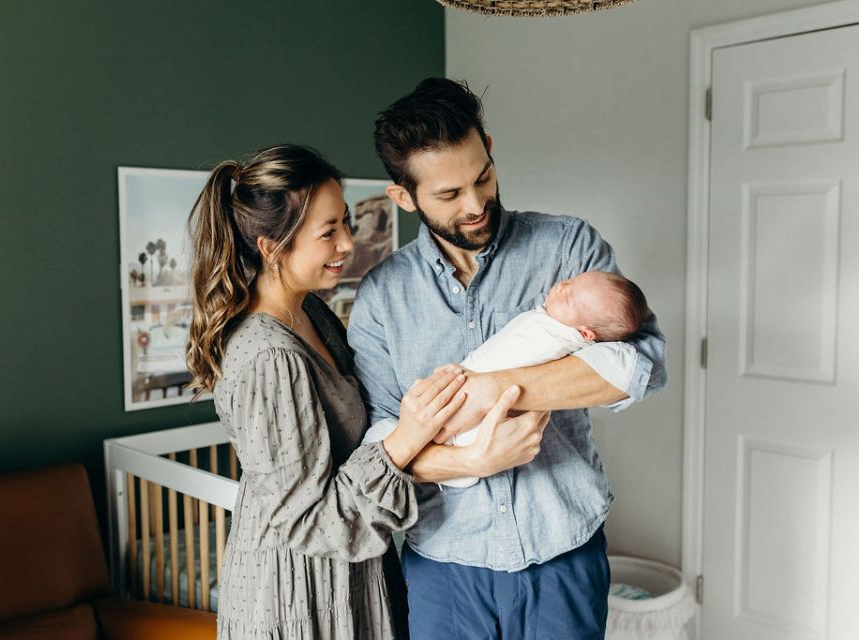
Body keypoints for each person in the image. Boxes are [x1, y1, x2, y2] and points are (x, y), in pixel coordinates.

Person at [346, 79, 667, 639]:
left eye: (483, 177)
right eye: (449, 195)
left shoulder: (569, 249)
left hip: (562, 550)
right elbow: (381, 445)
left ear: (489, 148)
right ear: (405, 197)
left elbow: (640, 367)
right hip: (444, 560)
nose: (475, 205)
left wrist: (496, 389)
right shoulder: (381, 298)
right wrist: (471, 461)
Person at [184, 144, 544, 639]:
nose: (347, 244)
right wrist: (410, 436)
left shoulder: (312, 314)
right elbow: (312, 523)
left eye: (345, 224)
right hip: (301, 593)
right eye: (328, 232)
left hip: (351, 573)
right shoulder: (270, 357)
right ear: (271, 247)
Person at [361, 270, 650, 488]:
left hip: (480, 415)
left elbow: (633, 367)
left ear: (585, 334)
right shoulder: (380, 289)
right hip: (458, 389)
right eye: (569, 282)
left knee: (399, 440)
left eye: (570, 297)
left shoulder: (564, 338)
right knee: (388, 438)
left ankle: (445, 458)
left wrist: (484, 391)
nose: (561, 287)